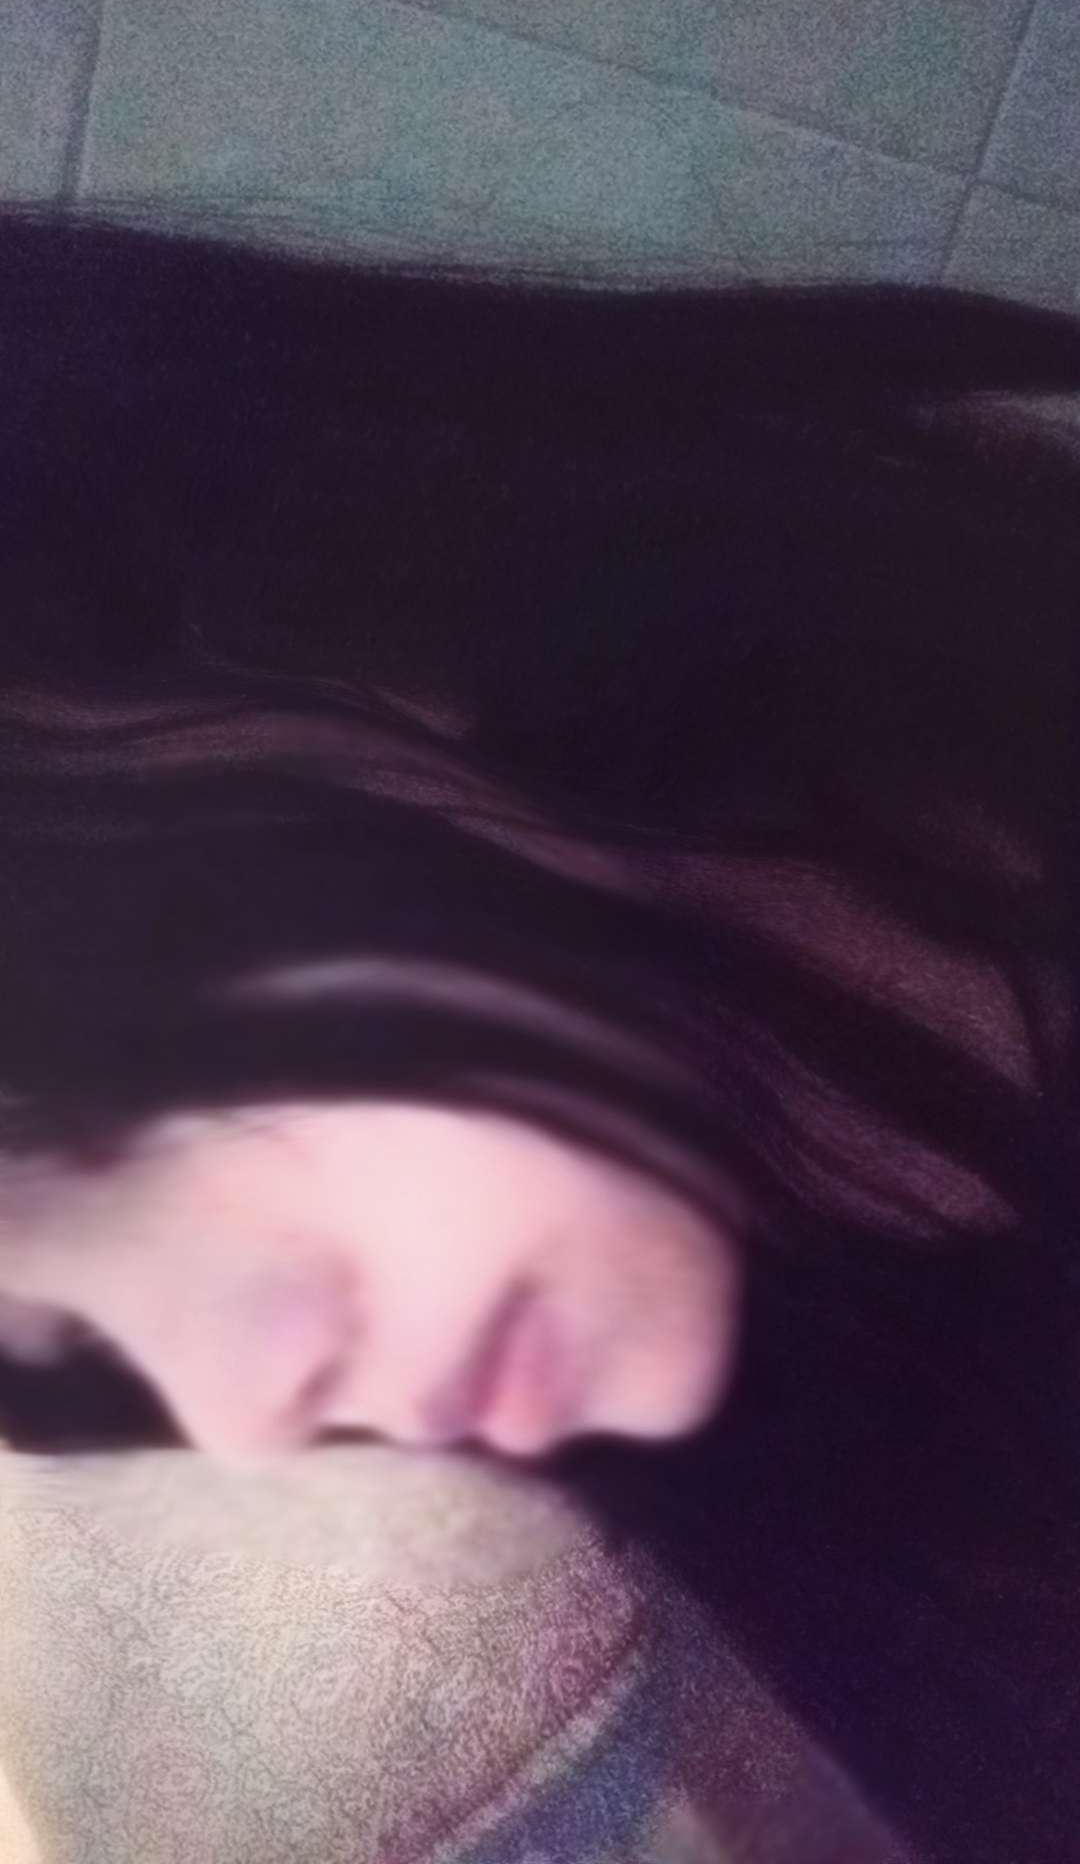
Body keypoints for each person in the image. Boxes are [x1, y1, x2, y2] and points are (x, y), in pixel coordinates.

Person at [0, 208, 1076, 1858]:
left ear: (270, 599)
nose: (244, 1414)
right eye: (66, 1337)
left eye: (87, 1130)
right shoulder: (806, 1469)